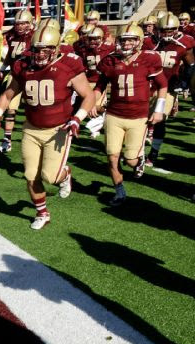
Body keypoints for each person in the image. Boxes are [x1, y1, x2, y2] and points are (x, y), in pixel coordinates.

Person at [0, 25, 95, 229]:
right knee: (30, 175)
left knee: (50, 177)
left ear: (56, 49)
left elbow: (88, 95)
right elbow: (8, 95)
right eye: (37, 49)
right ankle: (42, 212)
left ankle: (65, 174)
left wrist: (77, 118)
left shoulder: (68, 64)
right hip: (31, 128)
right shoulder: (23, 65)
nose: (40, 54)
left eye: (46, 50)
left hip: (59, 129)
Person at [91, 22, 167, 206]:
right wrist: (92, 102)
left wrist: (158, 109)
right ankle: (119, 192)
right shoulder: (110, 60)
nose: (126, 44)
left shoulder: (149, 58)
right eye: (123, 40)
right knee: (112, 157)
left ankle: (138, 161)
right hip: (114, 115)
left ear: (139, 41)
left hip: (138, 117)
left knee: (131, 160)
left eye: (131, 40)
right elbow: (100, 85)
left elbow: (163, 84)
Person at [143, 13, 194, 167]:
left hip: (168, 88)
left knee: (160, 120)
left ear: (176, 29)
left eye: (170, 30)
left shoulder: (185, 42)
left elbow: (191, 65)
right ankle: (138, 150)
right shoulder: (149, 42)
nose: (166, 34)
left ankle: (153, 153)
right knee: (141, 120)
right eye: (163, 30)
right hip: (148, 87)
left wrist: (184, 84)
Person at [0, 9, 35, 153]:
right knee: (11, 107)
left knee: (35, 107)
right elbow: (11, 55)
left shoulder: (35, 36)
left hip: (33, 75)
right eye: (18, 23)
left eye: (24, 23)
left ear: (30, 23)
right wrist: (3, 67)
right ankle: (7, 140)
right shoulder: (12, 36)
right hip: (16, 74)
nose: (20, 26)